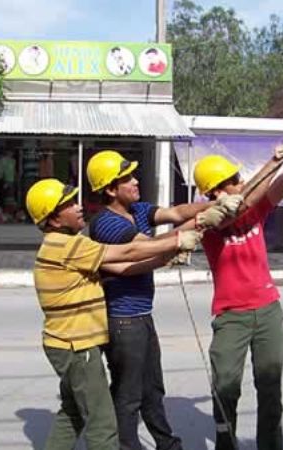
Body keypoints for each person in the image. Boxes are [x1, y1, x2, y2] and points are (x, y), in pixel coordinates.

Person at [26, 178, 202, 450]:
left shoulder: (65, 244)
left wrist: (167, 258)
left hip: (65, 344)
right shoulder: (68, 246)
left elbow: (122, 268)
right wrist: (177, 239)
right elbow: (129, 250)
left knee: (72, 413)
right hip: (77, 347)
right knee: (103, 423)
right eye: (69, 205)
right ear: (54, 219)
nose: (79, 207)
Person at [192, 108, 283, 450]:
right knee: (226, 388)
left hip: (268, 310)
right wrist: (273, 161)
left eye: (240, 178)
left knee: (270, 390)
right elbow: (233, 210)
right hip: (231, 317)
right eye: (233, 181)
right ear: (214, 193)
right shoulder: (206, 218)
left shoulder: (257, 208)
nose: (240, 184)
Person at [85, 150, 242, 450]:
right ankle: (126, 445)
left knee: (152, 389)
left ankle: (167, 444)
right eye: (126, 178)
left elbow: (176, 213)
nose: (134, 181)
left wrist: (215, 204)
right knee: (128, 394)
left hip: (142, 315)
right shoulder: (106, 223)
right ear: (110, 189)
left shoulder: (138, 210)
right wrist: (196, 228)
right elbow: (149, 247)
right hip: (121, 319)